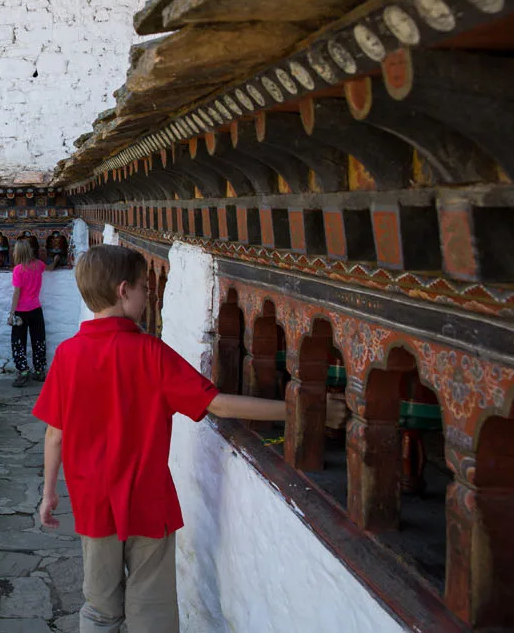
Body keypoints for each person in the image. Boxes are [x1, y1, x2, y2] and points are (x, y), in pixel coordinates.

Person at [33, 244, 344, 633]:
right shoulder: (151, 353)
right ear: (123, 290)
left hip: (94, 502)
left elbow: (55, 434)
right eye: (144, 289)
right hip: (149, 501)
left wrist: (49, 493)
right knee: (152, 612)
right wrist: (304, 409)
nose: (148, 297)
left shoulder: (67, 355)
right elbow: (218, 405)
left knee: (99, 608)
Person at [7, 237, 59, 387]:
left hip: (21, 312)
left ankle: (23, 372)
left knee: (18, 342)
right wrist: (55, 260)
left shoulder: (18, 270)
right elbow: (50, 268)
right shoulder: (38, 265)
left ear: (18, 253)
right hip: (36, 309)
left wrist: (11, 314)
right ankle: (39, 370)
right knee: (38, 339)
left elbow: (17, 292)